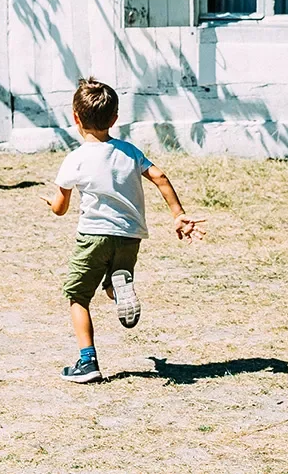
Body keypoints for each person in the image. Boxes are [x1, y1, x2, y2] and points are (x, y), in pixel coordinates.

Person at [39, 78, 206, 383]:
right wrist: (178, 215)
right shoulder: (129, 152)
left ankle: (87, 362)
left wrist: (51, 202)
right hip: (129, 236)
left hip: (93, 236)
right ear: (115, 119)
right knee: (115, 277)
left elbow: (60, 208)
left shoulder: (74, 159)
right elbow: (160, 176)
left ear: (75, 118)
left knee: (77, 297)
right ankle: (118, 291)